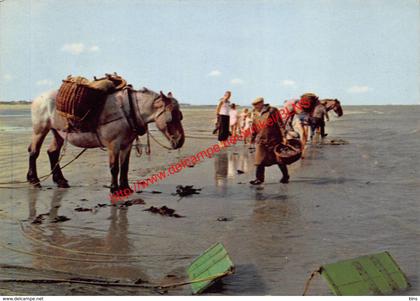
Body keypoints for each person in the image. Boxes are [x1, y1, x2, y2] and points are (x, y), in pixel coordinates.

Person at [249, 97, 289, 185]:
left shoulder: (272, 110)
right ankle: (259, 179)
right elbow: (254, 126)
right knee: (259, 160)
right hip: (261, 139)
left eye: (256, 104)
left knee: (279, 159)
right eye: (254, 105)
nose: (255, 106)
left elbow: (280, 123)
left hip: (274, 139)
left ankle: (286, 176)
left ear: (262, 103)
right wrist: (252, 138)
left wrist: (284, 136)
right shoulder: (255, 112)